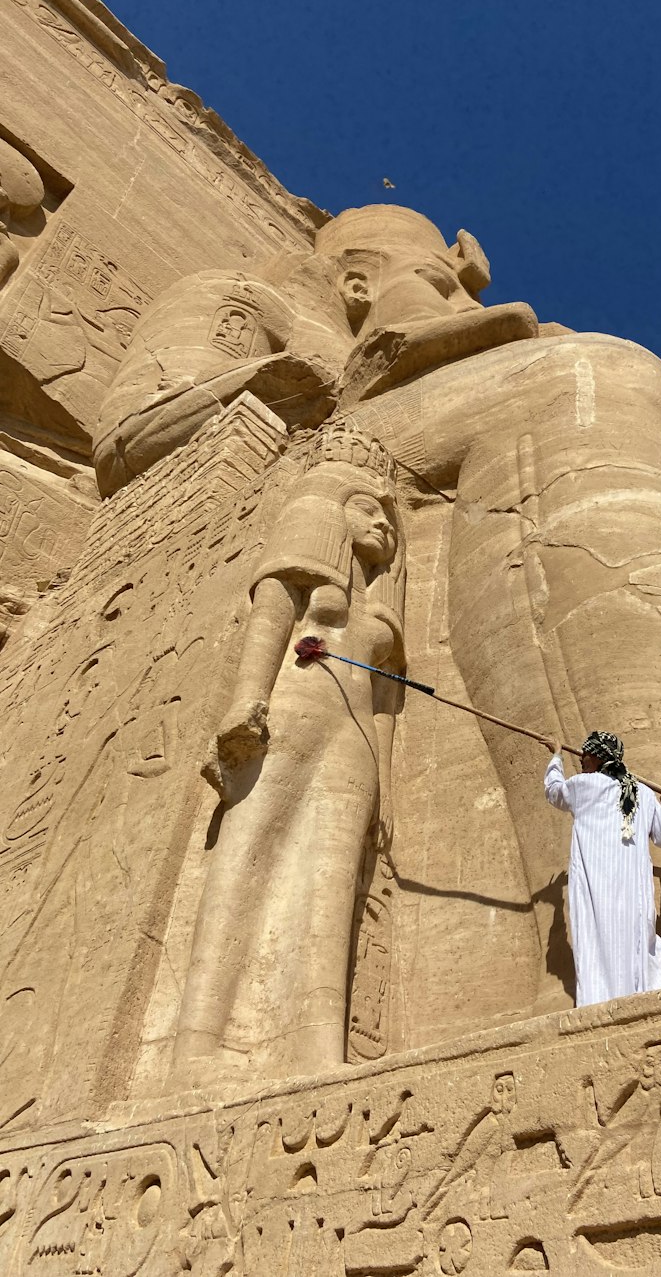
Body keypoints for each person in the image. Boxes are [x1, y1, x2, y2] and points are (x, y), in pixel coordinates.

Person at [172, 422, 405, 1081]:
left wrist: (387, 779)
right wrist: (246, 699)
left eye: (391, 518)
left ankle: (313, 1050)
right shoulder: (309, 547)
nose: (384, 526)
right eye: (369, 510)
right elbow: (270, 618)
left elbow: (387, 698)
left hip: (353, 733)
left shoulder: (379, 596)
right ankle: (198, 1046)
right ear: (333, 507)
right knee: (247, 858)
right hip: (295, 708)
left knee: (331, 883)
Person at [544, 731, 661, 1007]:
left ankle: (600, 1007)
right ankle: (641, 1002)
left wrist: (556, 756)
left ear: (595, 759)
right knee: (635, 946)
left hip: (597, 891)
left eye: (585, 757)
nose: (582, 762)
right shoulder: (642, 793)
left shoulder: (583, 785)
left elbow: (553, 792)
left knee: (595, 943)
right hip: (633, 896)